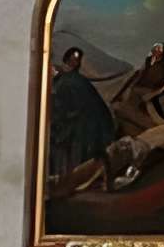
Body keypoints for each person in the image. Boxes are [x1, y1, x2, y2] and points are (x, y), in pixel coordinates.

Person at [44, 44, 118, 189]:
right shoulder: (67, 81)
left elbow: (64, 113)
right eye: (72, 60)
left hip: (85, 134)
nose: (74, 63)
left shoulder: (70, 83)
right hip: (88, 131)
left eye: (76, 60)